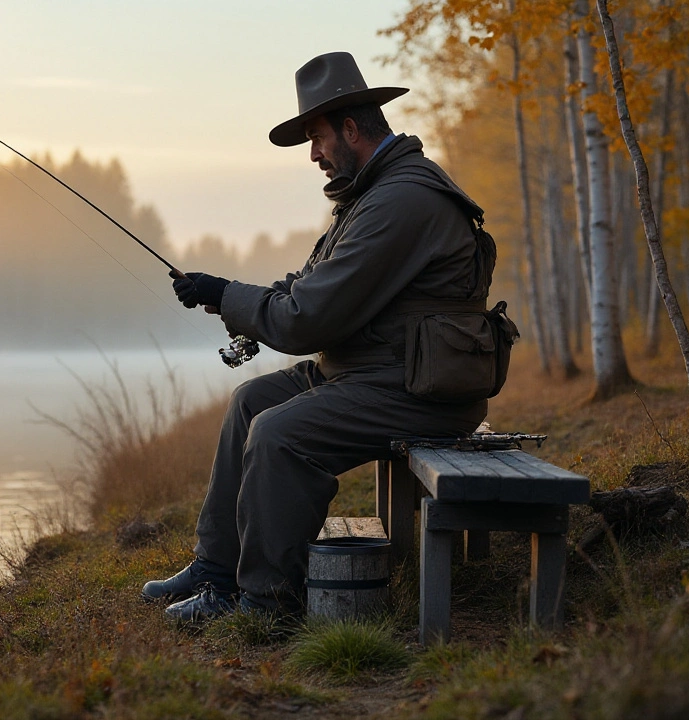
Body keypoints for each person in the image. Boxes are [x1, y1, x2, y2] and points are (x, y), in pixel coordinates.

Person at [148, 51, 496, 621]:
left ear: (351, 129)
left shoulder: (401, 201)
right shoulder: (372, 196)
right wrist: (224, 294)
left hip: (420, 390)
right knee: (250, 401)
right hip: (378, 371)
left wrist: (238, 296)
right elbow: (311, 286)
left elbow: (307, 320)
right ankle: (217, 571)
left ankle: (265, 603)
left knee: (279, 433)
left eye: (317, 138)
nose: (313, 155)